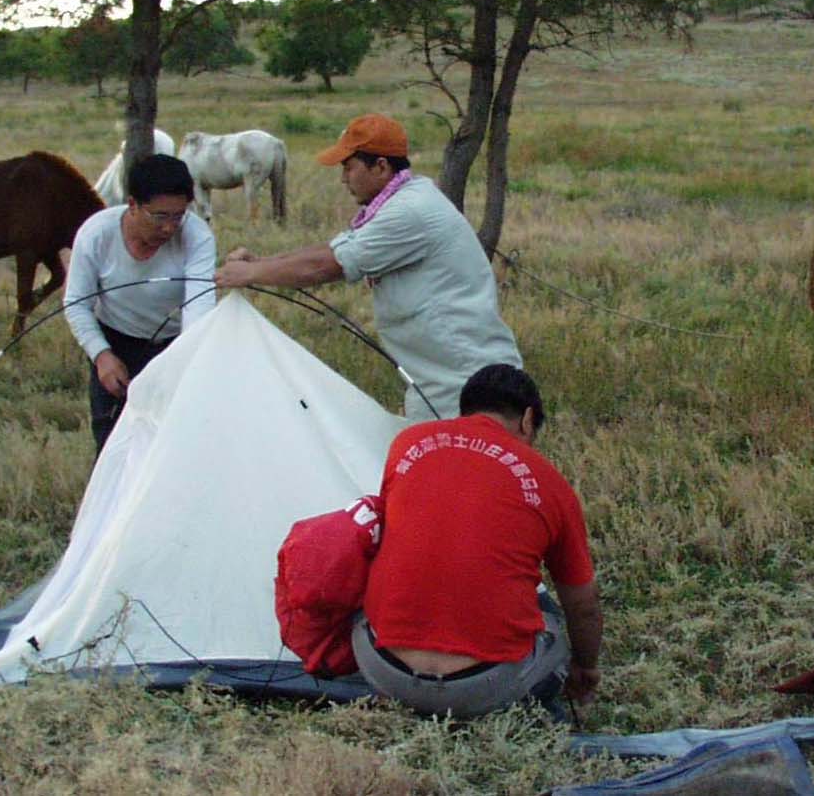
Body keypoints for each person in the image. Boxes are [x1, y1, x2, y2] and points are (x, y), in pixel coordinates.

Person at [213, 113, 520, 419]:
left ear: (381, 166)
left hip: (466, 379)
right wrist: (261, 263)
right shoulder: (398, 202)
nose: (343, 178)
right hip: (437, 376)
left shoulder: (409, 211)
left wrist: (251, 273)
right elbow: (333, 250)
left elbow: (326, 265)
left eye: (349, 168)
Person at [351, 364, 602, 718]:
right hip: (480, 687)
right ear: (528, 420)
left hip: (382, 669)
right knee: (551, 619)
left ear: (465, 409)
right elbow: (584, 604)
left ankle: (402, 700)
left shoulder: (406, 445)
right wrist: (586, 667)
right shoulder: (550, 482)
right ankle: (528, 709)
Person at [64, 153, 216, 452]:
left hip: (174, 343)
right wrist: (101, 356)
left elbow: (198, 304)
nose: (170, 228)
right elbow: (77, 302)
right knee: (113, 441)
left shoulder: (197, 236)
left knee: (175, 437)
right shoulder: (96, 234)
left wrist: (184, 363)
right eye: (160, 216)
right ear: (132, 205)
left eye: (178, 215)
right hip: (115, 341)